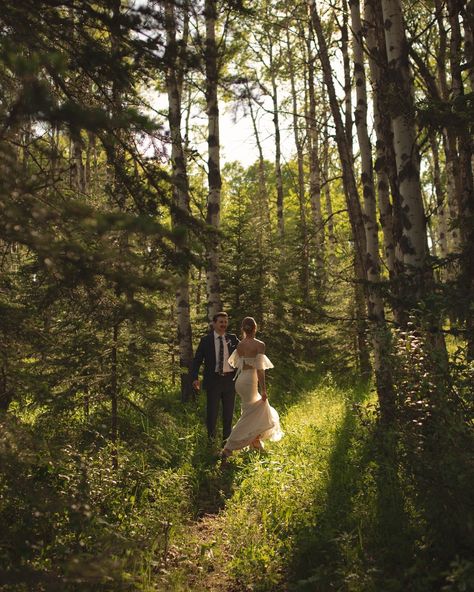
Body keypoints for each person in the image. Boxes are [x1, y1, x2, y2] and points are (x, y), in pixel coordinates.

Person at [221, 316, 283, 461]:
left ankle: (255, 443)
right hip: (250, 381)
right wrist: (264, 389)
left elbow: (238, 364)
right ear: (255, 328)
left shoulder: (240, 345)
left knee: (249, 410)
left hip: (240, 381)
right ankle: (229, 446)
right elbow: (260, 369)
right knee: (255, 410)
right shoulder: (259, 345)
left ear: (243, 329)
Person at [191, 312, 239, 443]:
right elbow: (197, 360)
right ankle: (211, 442)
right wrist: (195, 378)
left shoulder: (233, 338)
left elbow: (244, 352)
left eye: (225, 322)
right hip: (214, 382)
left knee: (228, 414)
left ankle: (227, 443)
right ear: (214, 324)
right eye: (221, 322)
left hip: (230, 381)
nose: (224, 324)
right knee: (212, 413)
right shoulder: (206, 341)